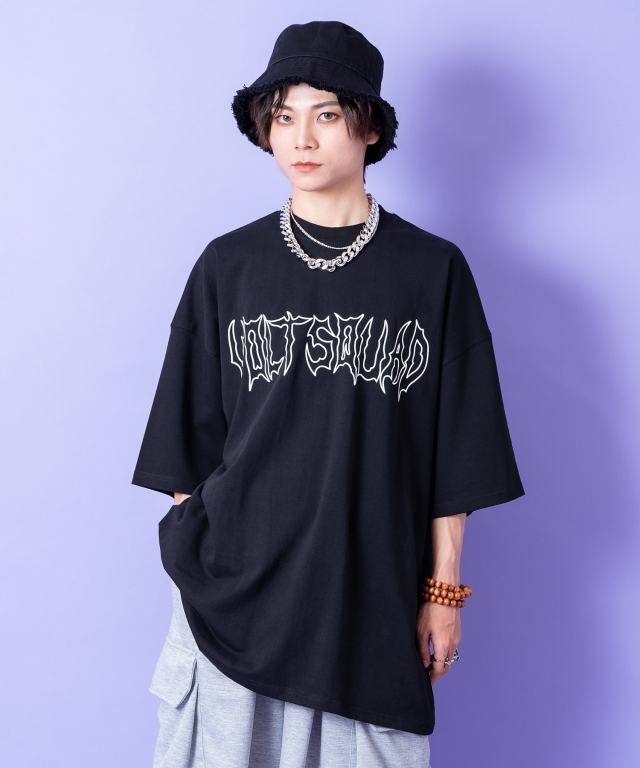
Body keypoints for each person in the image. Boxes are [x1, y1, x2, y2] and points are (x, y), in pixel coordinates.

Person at [132, 20, 525, 768]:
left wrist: (442, 593)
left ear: (369, 127)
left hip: (367, 599)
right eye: (283, 117)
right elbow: (185, 444)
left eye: (327, 114)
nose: (301, 138)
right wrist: (209, 556)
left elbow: (457, 450)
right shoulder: (227, 266)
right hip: (233, 605)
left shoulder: (431, 271)